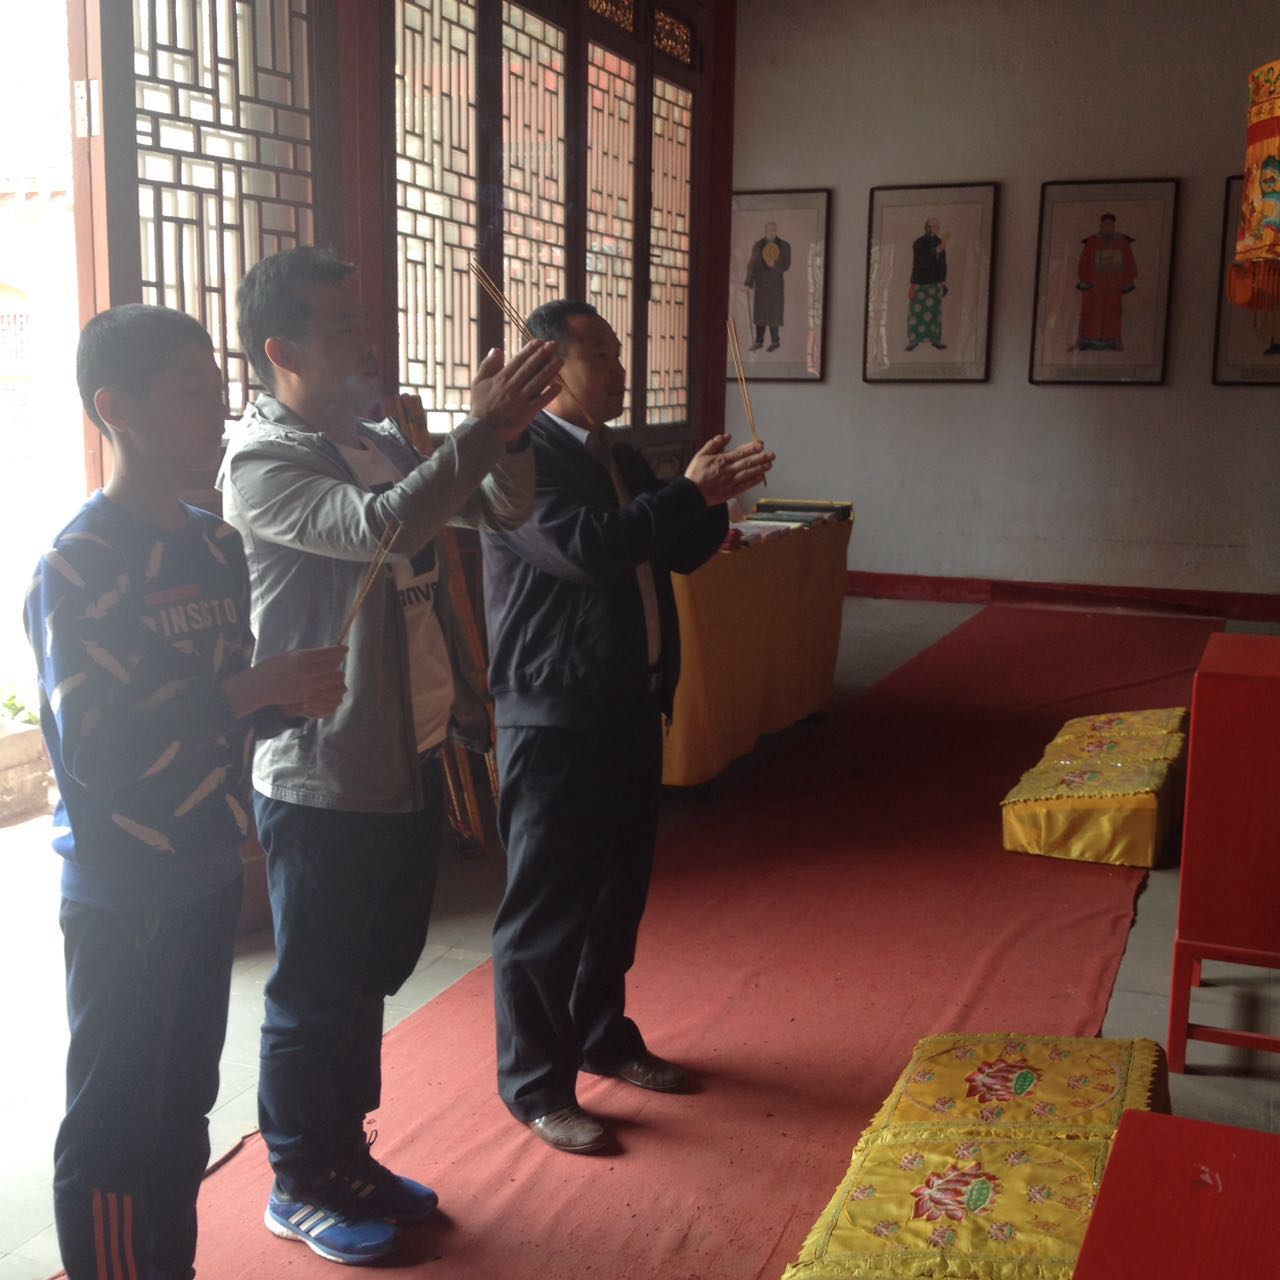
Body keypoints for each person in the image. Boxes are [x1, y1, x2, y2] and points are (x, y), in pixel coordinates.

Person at [218, 246, 561, 1262]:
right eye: (341, 327)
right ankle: (298, 1179)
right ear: (281, 350)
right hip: (321, 767)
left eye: (363, 320)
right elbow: (380, 531)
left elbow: (502, 508)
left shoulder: (371, 437)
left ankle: (347, 1156)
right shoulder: (261, 460)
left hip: (407, 746)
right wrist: (477, 430)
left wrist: (508, 435)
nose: (366, 340)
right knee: (314, 987)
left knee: (368, 973)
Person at [25, 303, 348, 1279]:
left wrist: (286, 700)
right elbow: (102, 751)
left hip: (210, 866)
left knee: (182, 1111)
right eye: (189, 389)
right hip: (126, 891)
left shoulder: (216, 545)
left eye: (217, 386)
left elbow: (223, 717)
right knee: (116, 1126)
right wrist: (248, 692)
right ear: (114, 407)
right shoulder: (79, 564)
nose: (217, 407)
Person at [481, 300, 774, 1154]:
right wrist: (688, 492)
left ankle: (603, 1035)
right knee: (546, 910)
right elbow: (587, 548)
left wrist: (713, 499)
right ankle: (536, 1087)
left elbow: (675, 548)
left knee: (616, 893)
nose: (618, 368)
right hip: (555, 709)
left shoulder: (617, 451)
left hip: (628, 702)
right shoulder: (522, 458)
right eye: (599, 353)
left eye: (616, 351)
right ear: (548, 368)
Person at [1074, 213, 1137, 352]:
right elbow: (1084, 262)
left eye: (1111, 224)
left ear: (1114, 225)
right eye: (1106, 224)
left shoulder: (1122, 241)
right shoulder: (1092, 241)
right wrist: (1085, 280)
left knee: (1113, 314)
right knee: (1091, 313)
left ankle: (1113, 341)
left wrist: (1126, 281)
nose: (1108, 227)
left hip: (1113, 287)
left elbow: (1128, 262)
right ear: (1101, 225)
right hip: (1095, 287)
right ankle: (1087, 340)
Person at [745, 221, 791, 351]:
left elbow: (787, 265)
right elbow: (752, 265)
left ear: (776, 231)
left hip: (775, 286)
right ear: (765, 231)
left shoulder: (784, 246)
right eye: (769, 230)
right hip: (761, 286)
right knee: (760, 315)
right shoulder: (758, 246)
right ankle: (759, 342)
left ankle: (775, 342)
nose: (772, 232)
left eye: (774, 230)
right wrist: (748, 283)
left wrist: (774, 263)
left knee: (774, 315)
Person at [906, 216, 949, 351]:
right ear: (925, 228)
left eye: (935, 227)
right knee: (916, 312)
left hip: (935, 283)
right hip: (920, 282)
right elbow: (918, 262)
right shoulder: (918, 243)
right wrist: (912, 285)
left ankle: (935, 339)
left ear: (938, 229)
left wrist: (943, 281)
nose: (932, 229)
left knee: (935, 312)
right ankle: (914, 340)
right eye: (929, 226)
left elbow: (942, 263)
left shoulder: (940, 242)